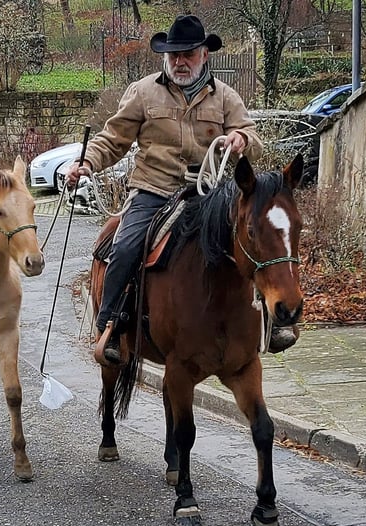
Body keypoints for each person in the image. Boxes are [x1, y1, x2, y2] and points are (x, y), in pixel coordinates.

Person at [67, 14, 297, 365]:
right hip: (153, 190)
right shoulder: (142, 92)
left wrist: (241, 139)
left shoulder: (225, 97)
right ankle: (111, 325)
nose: (180, 61)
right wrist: (86, 163)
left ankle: (271, 322)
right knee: (126, 244)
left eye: (188, 53)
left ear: (205, 54)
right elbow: (112, 140)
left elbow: (254, 139)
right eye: (174, 54)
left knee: (253, 241)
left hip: (208, 193)